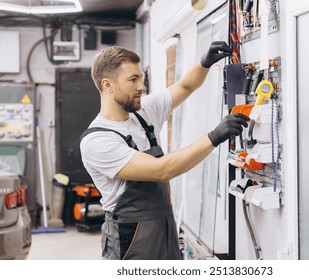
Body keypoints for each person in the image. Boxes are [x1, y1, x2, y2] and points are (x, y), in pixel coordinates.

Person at [79, 42, 249, 260]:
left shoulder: (143, 111)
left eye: (141, 78)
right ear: (107, 84)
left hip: (164, 226)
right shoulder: (98, 140)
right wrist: (213, 138)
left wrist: (204, 63)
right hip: (131, 239)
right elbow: (161, 170)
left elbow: (185, 87)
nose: (141, 86)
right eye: (133, 79)